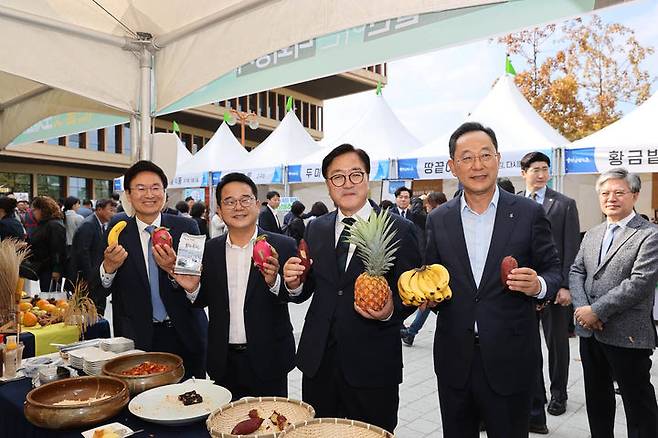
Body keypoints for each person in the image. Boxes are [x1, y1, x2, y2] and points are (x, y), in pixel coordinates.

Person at [425, 122, 561, 438]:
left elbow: (554, 270)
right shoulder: (438, 219)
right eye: (467, 157)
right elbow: (432, 276)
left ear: (498, 159)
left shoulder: (528, 212)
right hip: (454, 358)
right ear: (452, 166)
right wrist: (428, 298)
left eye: (485, 155)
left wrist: (538, 285)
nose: (477, 165)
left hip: (510, 357)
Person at [282, 144, 421, 432]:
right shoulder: (316, 227)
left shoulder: (398, 229)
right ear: (328, 184)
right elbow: (310, 287)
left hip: (372, 365)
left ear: (368, 178)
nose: (347, 184)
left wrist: (388, 311)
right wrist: (294, 284)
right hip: (319, 362)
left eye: (355, 174)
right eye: (338, 177)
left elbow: (411, 290)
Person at [174, 173, 297, 400]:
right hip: (223, 359)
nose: (238, 207)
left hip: (270, 358)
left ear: (258, 205)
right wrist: (192, 289)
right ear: (219, 211)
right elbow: (204, 299)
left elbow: (296, 294)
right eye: (229, 201)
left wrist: (274, 282)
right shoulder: (208, 250)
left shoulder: (283, 245)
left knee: (273, 427)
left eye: (245, 199)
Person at [91, 160, 208, 379]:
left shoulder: (186, 227)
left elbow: (197, 290)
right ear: (128, 194)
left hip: (185, 333)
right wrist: (109, 268)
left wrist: (173, 269)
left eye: (155, 188)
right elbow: (97, 289)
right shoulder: (117, 230)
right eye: (141, 188)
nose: (149, 195)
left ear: (165, 192)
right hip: (137, 337)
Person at [570, 167, 658, 438]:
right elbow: (576, 271)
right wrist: (584, 311)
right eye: (605, 193)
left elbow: (640, 282)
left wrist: (596, 311)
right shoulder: (593, 233)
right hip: (590, 335)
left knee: (638, 403)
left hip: (628, 334)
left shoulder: (649, 234)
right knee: (597, 399)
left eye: (619, 192)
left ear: (634, 195)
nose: (611, 198)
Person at [519, 152, 581, 431]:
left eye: (545, 169)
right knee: (528, 346)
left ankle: (559, 394)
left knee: (557, 344)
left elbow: (571, 247)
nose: (541, 174)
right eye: (535, 169)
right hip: (522, 289)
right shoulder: (515, 203)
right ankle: (536, 395)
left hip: (555, 288)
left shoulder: (564, 204)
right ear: (524, 173)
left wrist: (566, 285)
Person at [400, 191, 447, 346]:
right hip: (432, 267)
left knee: (430, 299)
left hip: (441, 270)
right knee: (429, 299)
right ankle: (411, 332)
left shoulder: (444, 219)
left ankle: (411, 332)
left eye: (429, 204)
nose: (426, 207)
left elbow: (415, 212)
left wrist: (419, 200)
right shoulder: (431, 218)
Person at [71, 199, 117, 313]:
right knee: (88, 311)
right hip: (87, 278)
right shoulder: (88, 225)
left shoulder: (101, 225)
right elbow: (83, 253)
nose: (113, 214)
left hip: (96, 275)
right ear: (99, 209)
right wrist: (90, 277)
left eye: (114, 210)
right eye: (110, 210)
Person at [29, 196, 67, 292]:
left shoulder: (54, 225)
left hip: (50, 269)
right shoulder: (44, 223)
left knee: (50, 297)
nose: (33, 213)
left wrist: (56, 269)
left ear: (42, 210)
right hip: (43, 267)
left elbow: (58, 249)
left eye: (34, 210)